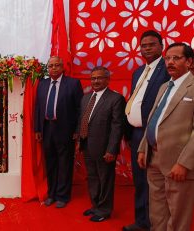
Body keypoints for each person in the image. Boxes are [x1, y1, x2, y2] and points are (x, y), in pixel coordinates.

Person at [137, 43, 194, 231]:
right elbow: (155, 118)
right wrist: (143, 148)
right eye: (168, 58)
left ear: (189, 62)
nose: (170, 62)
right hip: (153, 159)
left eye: (176, 58)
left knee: (178, 215)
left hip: (178, 163)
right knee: (157, 211)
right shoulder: (164, 87)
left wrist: (184, 163)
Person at [123, 30, 170, 231]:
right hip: (136, 134)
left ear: (161, 46)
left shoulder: (167, 68)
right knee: (140, 180)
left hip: (154, 134)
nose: (147, 48)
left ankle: (156, 224)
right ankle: (142, 221)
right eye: (143, 45)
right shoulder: (138, 72)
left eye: (151, 44)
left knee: (156, 182)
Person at [34, 56, 83, 208]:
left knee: (65, 164)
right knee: (51, 164)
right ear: (47, 68)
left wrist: (77, 130)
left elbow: (80, 109)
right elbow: (38, 108)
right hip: (47, 129)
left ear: (63, 67)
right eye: (50, 66)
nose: (53, 68)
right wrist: (37, 129)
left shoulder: (73, 84)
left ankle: (63, 196)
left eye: (57, 65)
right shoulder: (42, 84)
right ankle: (52, 194)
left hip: (66, 130)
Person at [77, 66, 125, 222]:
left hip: (104, 148)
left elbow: (117, 126)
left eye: (99, 78)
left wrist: (112, 149)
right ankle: (95, 206)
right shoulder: (86, 98)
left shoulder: (115, 99)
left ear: (108, 79)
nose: (95, 81)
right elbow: (82, 120)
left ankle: (104, 210)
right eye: (93, 78)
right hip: (87, 145)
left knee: (105, 179)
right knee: (92, 177)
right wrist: (79, 140)